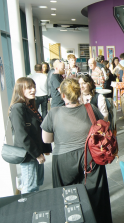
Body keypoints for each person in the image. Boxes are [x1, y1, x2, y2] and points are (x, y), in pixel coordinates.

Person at [41, 78, 112, 223]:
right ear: (79, 93)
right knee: (96, 195)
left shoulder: (54, 113)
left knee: (66, 197)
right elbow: (103, 127)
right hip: (90, 157)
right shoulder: (90, 109)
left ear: (63, 96)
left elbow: (47, 139)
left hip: (63, 160)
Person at [8, 77, 51, 193]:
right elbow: (22, 136)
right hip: (28, 155)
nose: (33, 90)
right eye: (29, 88)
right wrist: (37, 154)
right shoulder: (18, 108)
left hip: (35, 151)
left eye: (33, 87)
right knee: (30, 187)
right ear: (20, 90)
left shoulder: (30, 105)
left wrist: (43, 149)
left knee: (35, 184)